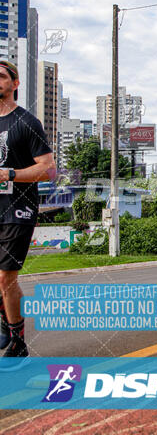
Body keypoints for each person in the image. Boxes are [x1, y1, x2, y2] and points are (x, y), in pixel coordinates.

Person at [0, 61, 56, 366]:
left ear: (15, 83)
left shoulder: (26, 122)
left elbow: (47, 169)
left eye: (1, 76)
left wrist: (9, 175)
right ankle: (5, 315)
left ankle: (18, 343)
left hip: (17, 209)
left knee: (6, 275)